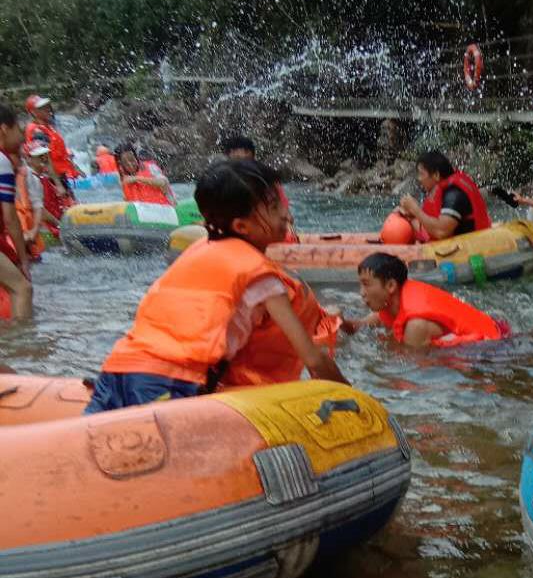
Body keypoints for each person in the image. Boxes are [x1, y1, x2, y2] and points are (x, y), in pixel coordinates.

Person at [84, 160, 347, 413]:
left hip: (117, 369)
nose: (286, 213)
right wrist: (354, 400)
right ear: (241, 226)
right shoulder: (262, 278)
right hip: (169, 383)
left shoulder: (200, 249)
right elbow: (313, 359)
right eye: (274, 206)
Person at [357, 252, 508, 349]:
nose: (361, 293)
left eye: (366, 285)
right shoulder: (392, 304)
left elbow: (410, 374)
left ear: (390, 286)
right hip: (496, 327)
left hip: (495, 350)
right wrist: (339, 322)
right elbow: (358, 326)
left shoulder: (416, 326)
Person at [397, 150, 491, 243]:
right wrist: (412, 215)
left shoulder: (453, 194)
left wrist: (415, 210)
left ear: (436, 175)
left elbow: (441, 232)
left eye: (421, 174)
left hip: (472, 247)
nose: (419, 179)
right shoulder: (443, 191)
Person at [220, 134, 298, 242]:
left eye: (246, 161)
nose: (243, 167)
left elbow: (286, 214)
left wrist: (287, 224)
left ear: (252, 157)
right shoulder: (222, 184)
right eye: (237, 162)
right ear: (228, 158)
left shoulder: (266, 182)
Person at [0, 104, 33, 319]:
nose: (22, 137)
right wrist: (23, 259)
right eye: (18, 129)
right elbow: (10, 217)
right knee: (22, 289)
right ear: (4, 129)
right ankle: (23, 349)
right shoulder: (2, 161)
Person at [24, 94, 83, 197]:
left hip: (59, 178)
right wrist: (58, 185)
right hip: (52, 181)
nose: (47, 109)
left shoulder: (48, 127)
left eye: (46, 106)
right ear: (33, 112)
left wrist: (76, 169)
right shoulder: (37, 131)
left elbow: (60, 154)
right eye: (41, 108)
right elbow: (44, 159)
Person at [15, 145, 51, 260]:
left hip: (22, 224)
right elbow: (39, 208)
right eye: (40, 156)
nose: (44, 159)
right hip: (23, 225)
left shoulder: (25, 173)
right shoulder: (32, 177)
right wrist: (34, 230)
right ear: (29, 158)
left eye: (45, 156)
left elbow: (40, 208)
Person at [115, 142, 175, 206]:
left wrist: (137, 178)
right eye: (125, 163)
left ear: (136, 157)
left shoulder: (151, 167)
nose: (130, 165)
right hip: (143, 213)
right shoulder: (123, 178)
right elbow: (126, 200)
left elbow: (163, 182)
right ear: (121, 164)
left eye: (132, 160)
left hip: (166, 209)